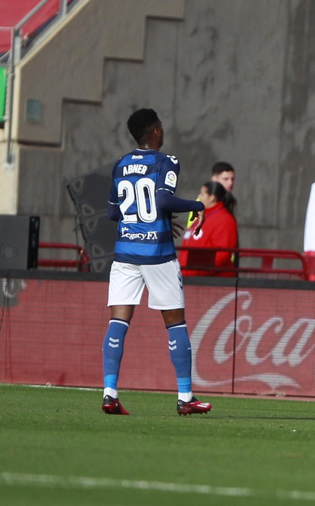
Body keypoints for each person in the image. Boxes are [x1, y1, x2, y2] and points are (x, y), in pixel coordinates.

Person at [100, 108, 213, 417]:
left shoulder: (120, 164)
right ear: (157, 132)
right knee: (175, 323)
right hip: (157, 254)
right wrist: (197, 204)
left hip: (124, 253)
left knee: (118, 322)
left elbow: (113, 213)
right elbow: (162, 200)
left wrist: (148, 218)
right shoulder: (166, 162)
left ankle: (110, 393)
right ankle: (185, 397)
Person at [180, 180, 238, 277]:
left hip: (210, 281)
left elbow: (223, 253)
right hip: (191, 276)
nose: (199, 197)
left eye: (202, 194)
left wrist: (199, 272)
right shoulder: (203, 216)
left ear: (211, 198)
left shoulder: (225, 220)